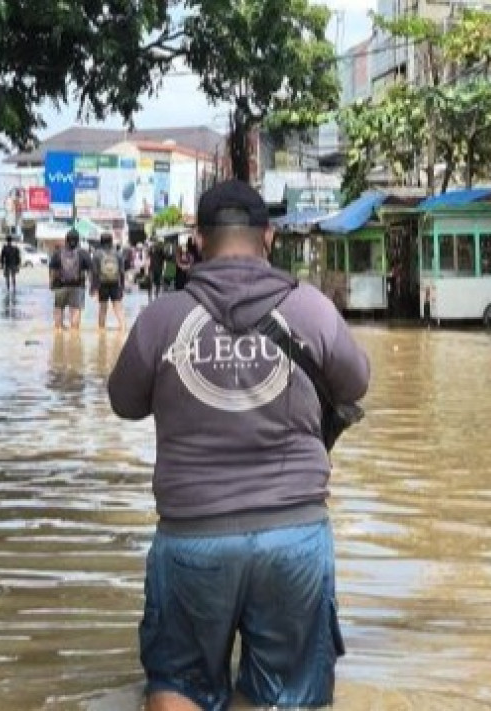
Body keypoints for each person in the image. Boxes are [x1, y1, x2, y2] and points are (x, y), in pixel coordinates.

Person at [107, 179, 371, 711]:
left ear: (198, 241)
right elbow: (356, 383)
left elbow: (124, 402)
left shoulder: (162, 318)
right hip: (293, 533)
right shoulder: (312, 309)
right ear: (268, 237)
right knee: (282, 694)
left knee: (177, 684)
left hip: (193, 534)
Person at [49, 229, 92, 331]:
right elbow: (90, 271)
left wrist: (51, 283)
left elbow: (52, 270)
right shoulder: (83, 253)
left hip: (60, 285)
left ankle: (58, 332)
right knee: (76, 309)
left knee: (59, 308)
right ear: (78, 240)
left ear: (66, 239)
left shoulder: (58, 253)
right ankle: (74, 333)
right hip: (78, 286)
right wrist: (92, 285)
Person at [91, 232, 127, 331]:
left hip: (102, 283)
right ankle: (123, 329)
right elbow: (122, 271)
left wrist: (93, 288)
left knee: (103, 308)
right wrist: (122, 286)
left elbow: (95, 272)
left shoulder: (97, 254)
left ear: (101, 241)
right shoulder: (118, 254)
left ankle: (101, 331)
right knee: (118, 308)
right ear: (111, 241)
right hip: (115, 283)